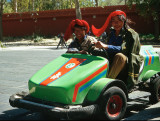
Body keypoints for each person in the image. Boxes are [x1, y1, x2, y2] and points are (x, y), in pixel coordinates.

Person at [92, 10, 144, 90]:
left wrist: (106, 46)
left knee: (119, 56)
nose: (116, 24)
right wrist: (97, 46)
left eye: (119, 21)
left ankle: (106, 84)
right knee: (94, 53)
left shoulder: (130, 34)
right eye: (113, 21)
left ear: (124, 21)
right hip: (112, 59)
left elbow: (123, 49)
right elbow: (106, 47)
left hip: (127, 61)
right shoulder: (111, 33)